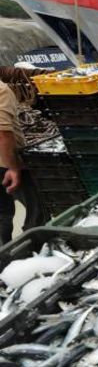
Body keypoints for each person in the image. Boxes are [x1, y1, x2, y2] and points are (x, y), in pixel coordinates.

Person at [0, 80, 27, 244]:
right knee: (35, 213)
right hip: (3, 166)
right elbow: (3, 134)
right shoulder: (1, 90)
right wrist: (13, 168)